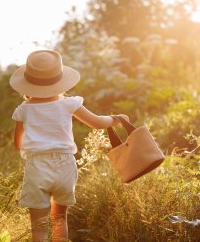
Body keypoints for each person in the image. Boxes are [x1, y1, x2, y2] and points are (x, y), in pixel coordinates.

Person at [10, 50, 129, 242]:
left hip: (37, 166)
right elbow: (98, 122)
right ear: (60, 80)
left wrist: (35, 144)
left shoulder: (23, 110)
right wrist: (117, 119)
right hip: (65, 165)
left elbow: (17, 143)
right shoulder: (69, 104)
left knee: (38, 227)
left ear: (28, 83)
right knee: (59, 219)